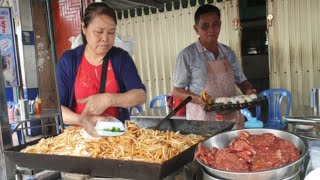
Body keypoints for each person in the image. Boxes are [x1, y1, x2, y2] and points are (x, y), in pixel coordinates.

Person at [56, 2, 146, 136]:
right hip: (78, 138)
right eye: (99, 32)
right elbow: (58, 109)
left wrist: (110, 99)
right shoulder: (69, 61)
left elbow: (140, 95)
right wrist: (84, 120)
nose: (105, 38)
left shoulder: (121, 58)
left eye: (111, 32)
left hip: (115, 135)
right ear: (84, 28)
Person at [172, 4, 256, 129]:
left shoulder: (228, 53)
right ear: (196, 29)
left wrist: (249, 90)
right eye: (205, 26)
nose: (211, 29)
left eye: (215, 24)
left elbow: (242, 80)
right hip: (202, 120)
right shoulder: (187, 55)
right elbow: (177, 91)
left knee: (235, 147)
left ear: (220, 25)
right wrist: (197, 100)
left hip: (231, 119)